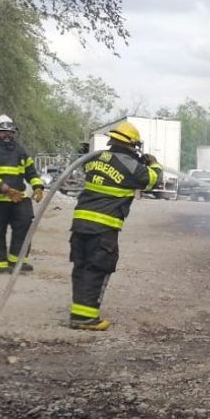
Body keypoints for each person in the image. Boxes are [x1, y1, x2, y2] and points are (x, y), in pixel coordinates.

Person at [68, 120, 161, 330]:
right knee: (98, 268)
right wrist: (153, 163)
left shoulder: (95, 158)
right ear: (133, 145)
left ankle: (78, 313)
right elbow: (154, 180)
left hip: (80, 224)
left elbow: (90, 167)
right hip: (103, 227)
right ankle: (86, 318)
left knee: (81, 267)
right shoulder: (132, 167)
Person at [0, 115, 45, 273]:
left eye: (10, 132)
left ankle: (17, 261)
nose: (7, 135)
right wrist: (4, 188)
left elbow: (30, 171)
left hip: (18, 199)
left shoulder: (20, 151)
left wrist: (38, 186)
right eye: (3, 131)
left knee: (25, 224)